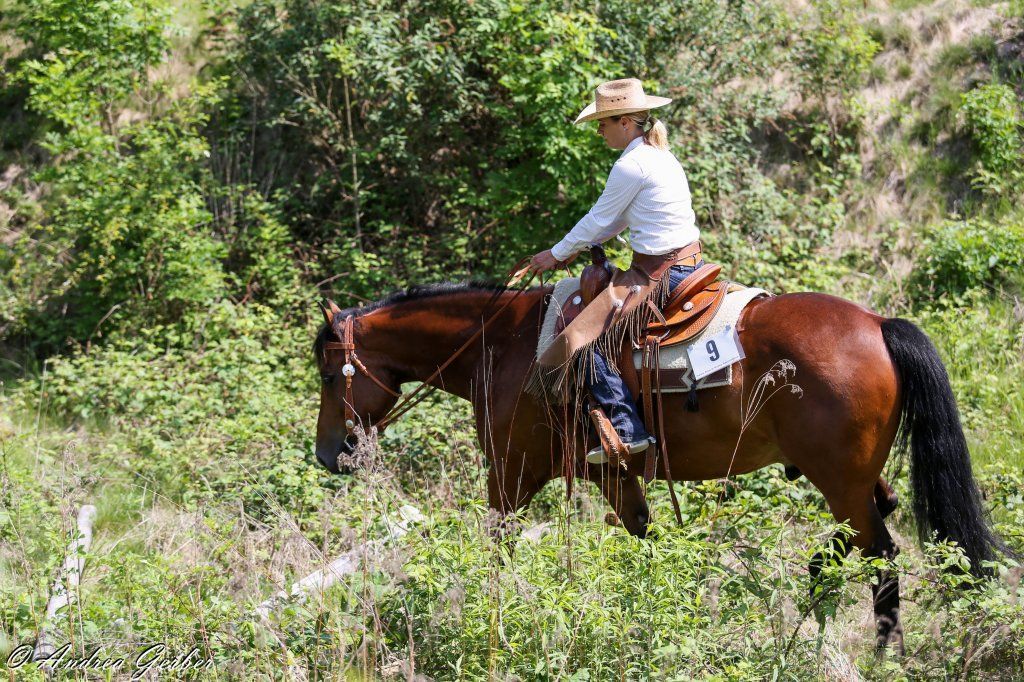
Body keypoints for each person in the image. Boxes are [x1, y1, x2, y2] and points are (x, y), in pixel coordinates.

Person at [527, 77, 703, 464]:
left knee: (580, 336)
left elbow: (599, 220)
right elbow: (615, 221)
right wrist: (570, 248)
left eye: (603, 124)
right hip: (690, 261)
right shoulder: (658, 156)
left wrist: (554, 255)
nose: (599, 131)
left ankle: (626, 427)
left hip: (658, 272)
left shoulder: (632, 165)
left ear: (626, 122)